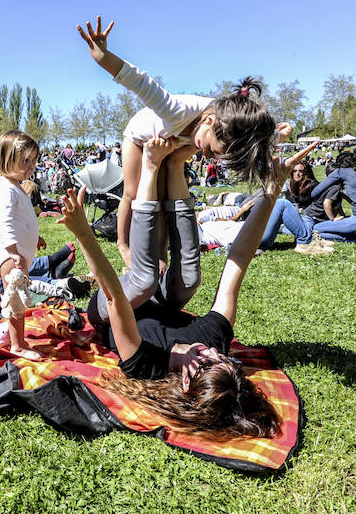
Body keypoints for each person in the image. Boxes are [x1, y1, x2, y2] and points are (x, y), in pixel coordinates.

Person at [56, 137, 317, 440]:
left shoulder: (146, 366)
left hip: (108, 308)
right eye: (227, 360)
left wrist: (84, 233)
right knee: (189, 278)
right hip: (157, 299)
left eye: (209, 361)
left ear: (186, 381)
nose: (216, 352)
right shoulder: (213, 341)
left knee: (144, 278)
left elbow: (115, 296)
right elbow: (238, 262)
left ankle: (153, 164)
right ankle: (176, 163)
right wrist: (272, 190)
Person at [77, 16, 292, 268]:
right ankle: (124, 244)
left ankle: (160, 257)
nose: (209, 157)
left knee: (163, 202)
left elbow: (250, 139)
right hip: (138, 137)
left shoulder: (227, 122)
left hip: (168, 145)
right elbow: (141, 82)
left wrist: (277, 137)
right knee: (134, 194)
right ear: (209, 122)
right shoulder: (177, 111)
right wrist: (104, 57)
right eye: (212, 150)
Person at [0, 130, 44, 360]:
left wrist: (34, 236)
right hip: (9, 256)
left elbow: (22, 219)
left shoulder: (15, 186)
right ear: (6, 160)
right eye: (25, 160)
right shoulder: (5, 189)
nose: (31, 166)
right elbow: (3, 224)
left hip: (17, 254)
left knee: (18, 301)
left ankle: (16, 339)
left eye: (33, 160)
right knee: (15, 303)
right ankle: (17, 345)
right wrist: (14, 252)